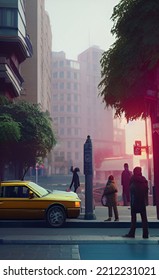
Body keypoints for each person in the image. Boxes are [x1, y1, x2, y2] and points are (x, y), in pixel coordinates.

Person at [123, 166, 149, 239]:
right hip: (142, 201)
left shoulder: (133, 179)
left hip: (135, 202)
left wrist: (130, 200)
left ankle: (132, 233)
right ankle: (145, 234)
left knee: (133, 218)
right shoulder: (144, 180)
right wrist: (146, 201)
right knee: (144, 219)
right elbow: (146, 190)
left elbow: (131, 190)